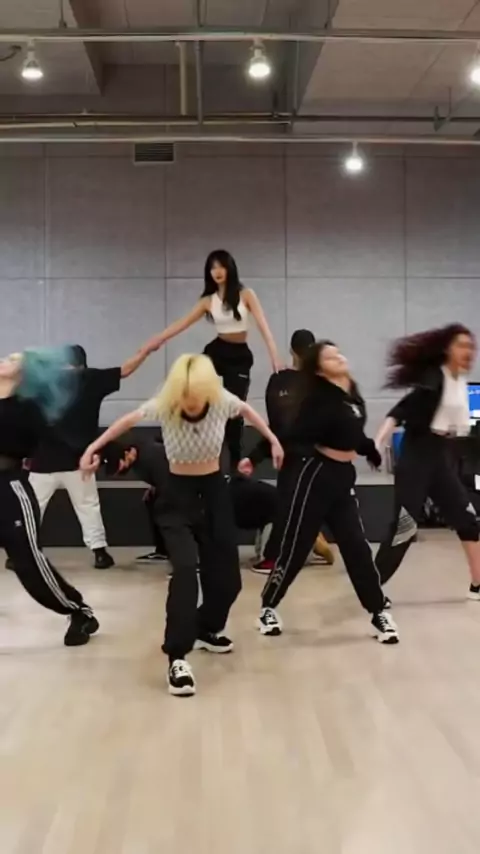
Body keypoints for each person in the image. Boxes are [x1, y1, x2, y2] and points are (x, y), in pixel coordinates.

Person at [80, 354, 283, 697]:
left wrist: (273, 441)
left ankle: (206, 628)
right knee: (186, 571)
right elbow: (126, 421)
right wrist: (92, 448)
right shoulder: (166, 404)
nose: (190, 402)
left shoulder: (221, 401)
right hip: (177, 496)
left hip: (215, 494)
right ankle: (177, 656)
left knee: (229, 582)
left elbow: (249, 412)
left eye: (196, 395)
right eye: (185, 394)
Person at [256, 340, 399, 644]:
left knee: (357, 547)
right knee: (296, 547)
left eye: (339, 353)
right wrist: (259, 455)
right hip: (316, 478)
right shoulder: (317, 399)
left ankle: (377, 611)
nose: (339, 358)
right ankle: (268, 606)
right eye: (330, 357)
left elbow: (354, 434)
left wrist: (370, 450)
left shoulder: (352, 394)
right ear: (320, 370)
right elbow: (290, 432)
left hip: (343, 479)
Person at [25, 339, 157, 571]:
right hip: (79, 460)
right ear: (82, 364)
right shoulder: (91, 378)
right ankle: (100, 553)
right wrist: (145, 351)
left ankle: (22, 553)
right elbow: (126, 370)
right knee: (88, 507)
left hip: (43, 459)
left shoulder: (45, 384)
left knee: (33, 508)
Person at [0, 347, 98, 646]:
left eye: (12, 360)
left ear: (26, 373)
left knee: (27, 563)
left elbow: (59, 439)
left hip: (9, 489)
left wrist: (95, 453)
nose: (3, 360)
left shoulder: (27, 409)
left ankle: (78, 611)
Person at [148, 249, 282, 469]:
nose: (217, 271)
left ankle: (236, 463)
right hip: (217, 351)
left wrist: (274, 355)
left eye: (221, 266)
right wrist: (158, 340)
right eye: (212, 268)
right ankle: (171, 428)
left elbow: (263, 326)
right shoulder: (208, 301)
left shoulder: (246, 295)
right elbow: (182, 323)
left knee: (235, 409)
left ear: (229, 269)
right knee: (187, 379)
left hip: (239, 357)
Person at [374, 324, 480, 599]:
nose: (468, 351)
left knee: (468, 520)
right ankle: (371, 588)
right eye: (461, 345)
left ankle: (478, 585)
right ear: (447, 349)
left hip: (439, 456)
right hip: (417, 455)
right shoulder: (434, 379)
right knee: (406, 527)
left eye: (470, 345)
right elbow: (399, 412)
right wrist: (379, 441)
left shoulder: (459, 380)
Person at [239, 328, 334, 571]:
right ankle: (310, 540)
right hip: (312, 455)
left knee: (287, 506)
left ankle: (278, 556)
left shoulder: (281, 381)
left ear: (292, 351)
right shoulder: (318, 382)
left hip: (294, 455)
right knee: (297, 505)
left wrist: (255, 457)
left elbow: (277, 428)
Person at [103, 439, 279, 567]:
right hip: (199, 487)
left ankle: (192, 559)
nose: (117, 471)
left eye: (117, 465)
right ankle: (168, 552)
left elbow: (171, 479)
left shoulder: (151, 456)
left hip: (205, 488)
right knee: (159, 504)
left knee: (180, 514)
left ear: (127, 453)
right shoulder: (141, 457)